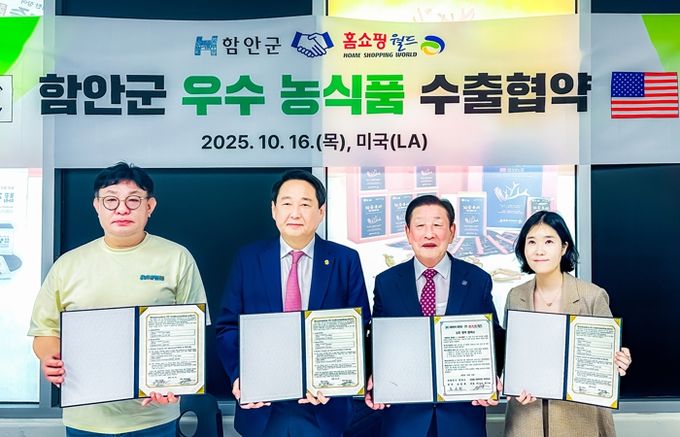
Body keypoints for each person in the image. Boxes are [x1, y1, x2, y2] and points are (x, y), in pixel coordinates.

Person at [28, 162, 208, 436]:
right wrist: (49, 358)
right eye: (110, 200)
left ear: (149, 206)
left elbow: (192, 334)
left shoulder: (177, 258)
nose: (122, 209)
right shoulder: (68, 265)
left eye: (133, 200)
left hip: (154, 417)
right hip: (85, 417)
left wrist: (178, 381)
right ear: (97, 206)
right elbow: (45, 330)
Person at [215, 169, 371, 437]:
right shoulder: (248, 259)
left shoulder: (345, 260)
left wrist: (337, 382)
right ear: (274, 210)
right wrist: (241, 376)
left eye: (305, 204)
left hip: (324, 406)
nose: (295, 213)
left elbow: (359, 328)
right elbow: (228, 326)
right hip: (263, 407)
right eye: (287, 203)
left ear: (321, 212)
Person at [365, 194, 505, 437]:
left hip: (462, 416)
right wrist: (371, 376)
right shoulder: (387, 282)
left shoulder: (477, 280)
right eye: (420, 225)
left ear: (452, 231)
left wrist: (492, 377)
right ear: (408, 233)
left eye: (437, 225)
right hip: (404, 418)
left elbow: (492, 334)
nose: (429, 234)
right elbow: (377, 338)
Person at [504, 210, 632, 437]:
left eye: (548, 241)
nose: (539, 250)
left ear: (564, 247)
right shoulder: (515, 295)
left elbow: (607, 359)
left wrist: (619, 361)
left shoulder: (591, 296)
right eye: (531, 242)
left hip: (578, 421)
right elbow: (512, 356)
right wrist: (511, 385)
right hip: (526, 420)